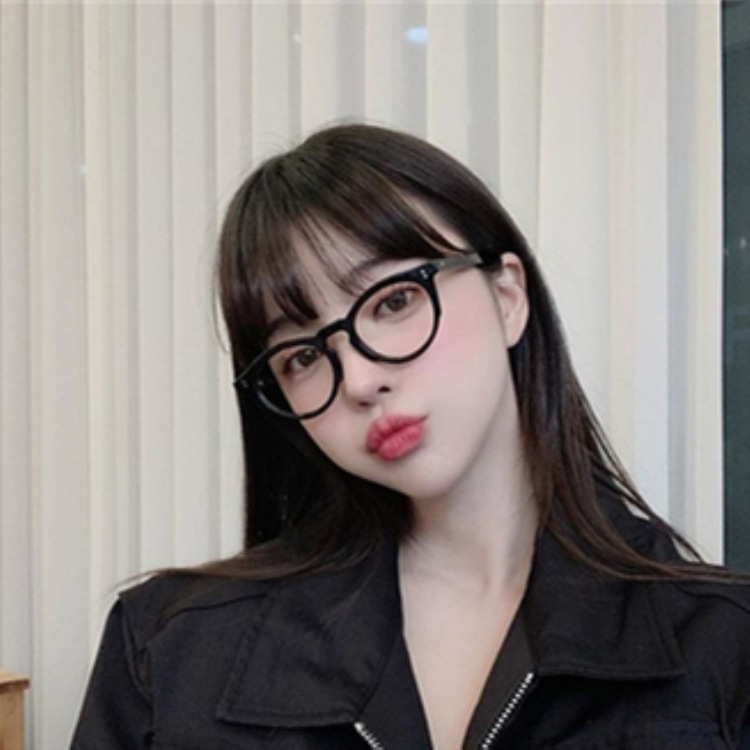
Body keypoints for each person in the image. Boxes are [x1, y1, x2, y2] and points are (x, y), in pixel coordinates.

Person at [71, 124, 750, 750]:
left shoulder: (723, 642)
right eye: (303, 356)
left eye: (394, 300)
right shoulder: (169, 648)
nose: (360, 380)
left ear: (507, 297)